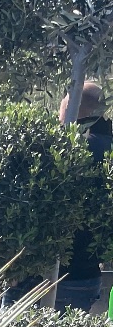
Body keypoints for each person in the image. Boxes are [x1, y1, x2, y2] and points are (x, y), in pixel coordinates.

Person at [56, 79, 113, 313]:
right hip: (85, 275)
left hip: (40, 278)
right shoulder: (108, 149)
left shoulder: (61, 149)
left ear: (71, 109)